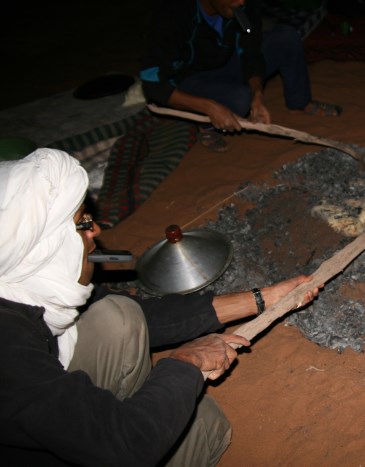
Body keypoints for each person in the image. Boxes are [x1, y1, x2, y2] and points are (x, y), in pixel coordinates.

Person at [0, 148, 321, 466]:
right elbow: (123, 448)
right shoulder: (8, 349)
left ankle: (128, 407)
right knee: (202, 426)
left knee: (118, 318)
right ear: (46, 246)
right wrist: (187, 361)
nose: (95, 229)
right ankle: (130, 413)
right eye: (82, 223)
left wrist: (264, 299)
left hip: (62, 420)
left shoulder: (24, 285)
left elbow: (144, 316)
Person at [140, 0, 341, 152]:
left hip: (226, 64)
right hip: (191, 80)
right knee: (239, 99)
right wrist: (209, 107)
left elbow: (251, 55)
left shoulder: (241, 6)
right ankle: (207, 124)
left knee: (285, 38)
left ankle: (300, 102)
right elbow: (152, 85)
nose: (242, 1)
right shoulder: (172, 14)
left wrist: (258, 94)